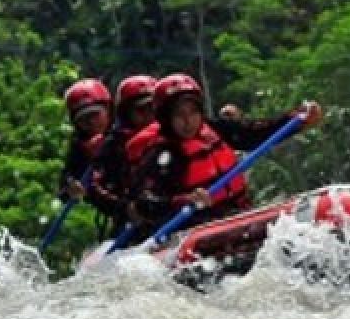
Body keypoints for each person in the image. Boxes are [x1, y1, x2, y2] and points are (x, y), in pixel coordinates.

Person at [124, 73, 323, 234]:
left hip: (237, 214)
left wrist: (295, 120)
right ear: (166, 118)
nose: (188, 121)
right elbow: (144, 201)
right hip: (197, 228)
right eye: (179, 114)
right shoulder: (163, 155)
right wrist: (183, 200)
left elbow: (255, 133)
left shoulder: (214, 129)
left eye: (193, 112)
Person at [86, 74, 157, 233]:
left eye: (153, 108)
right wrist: (125, 209)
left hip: (177, 209)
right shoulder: (114, 146)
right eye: (141, 110)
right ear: (127, 114)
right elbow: (95, 188)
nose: (149, 115)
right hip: (133, 222)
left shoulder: (175, 131)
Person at [58, 78, 112, 203]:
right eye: (84, 119)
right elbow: (64, 187)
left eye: (95, 114)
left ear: (108, 110)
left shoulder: (125, 136)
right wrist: (70, 185)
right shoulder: (80, 148)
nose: (91, 122)